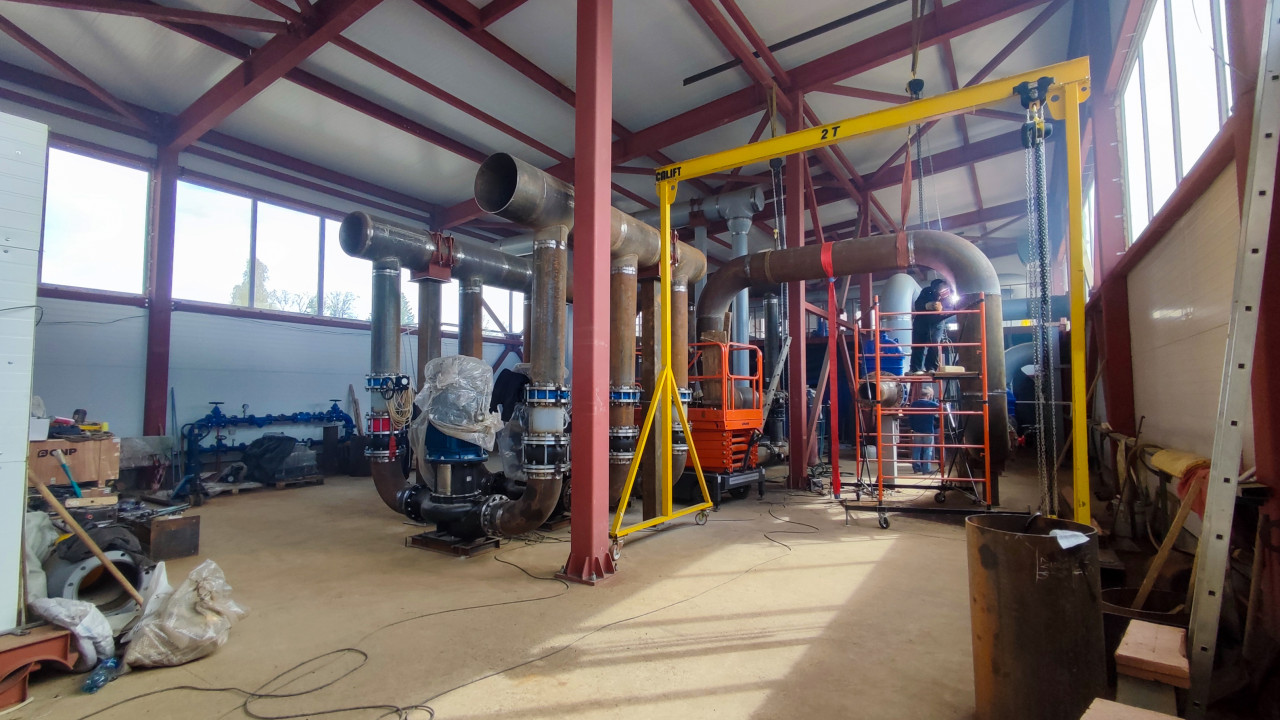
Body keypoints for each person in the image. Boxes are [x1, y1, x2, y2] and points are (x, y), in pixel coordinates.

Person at [909, 279, 954, 374]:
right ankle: (915, 368)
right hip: (921, 322)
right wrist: (927, 306)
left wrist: (942, 311)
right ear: (934, 289)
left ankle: (931, 367)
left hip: (937, 323)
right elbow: (917, 305)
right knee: (918, 345)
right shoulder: (926, 291)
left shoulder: (950, 294)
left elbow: (952, 309)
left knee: (934, 345)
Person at [909, 385, 940, 474]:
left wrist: (912, 428)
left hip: (917, 430)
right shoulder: (932, 404)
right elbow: (942, 408)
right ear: (929, 395)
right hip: (928, 430)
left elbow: (910, 417)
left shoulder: (914, 404)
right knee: (927, 450)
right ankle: (926, 469)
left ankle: (916, 467)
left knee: (916, 450)